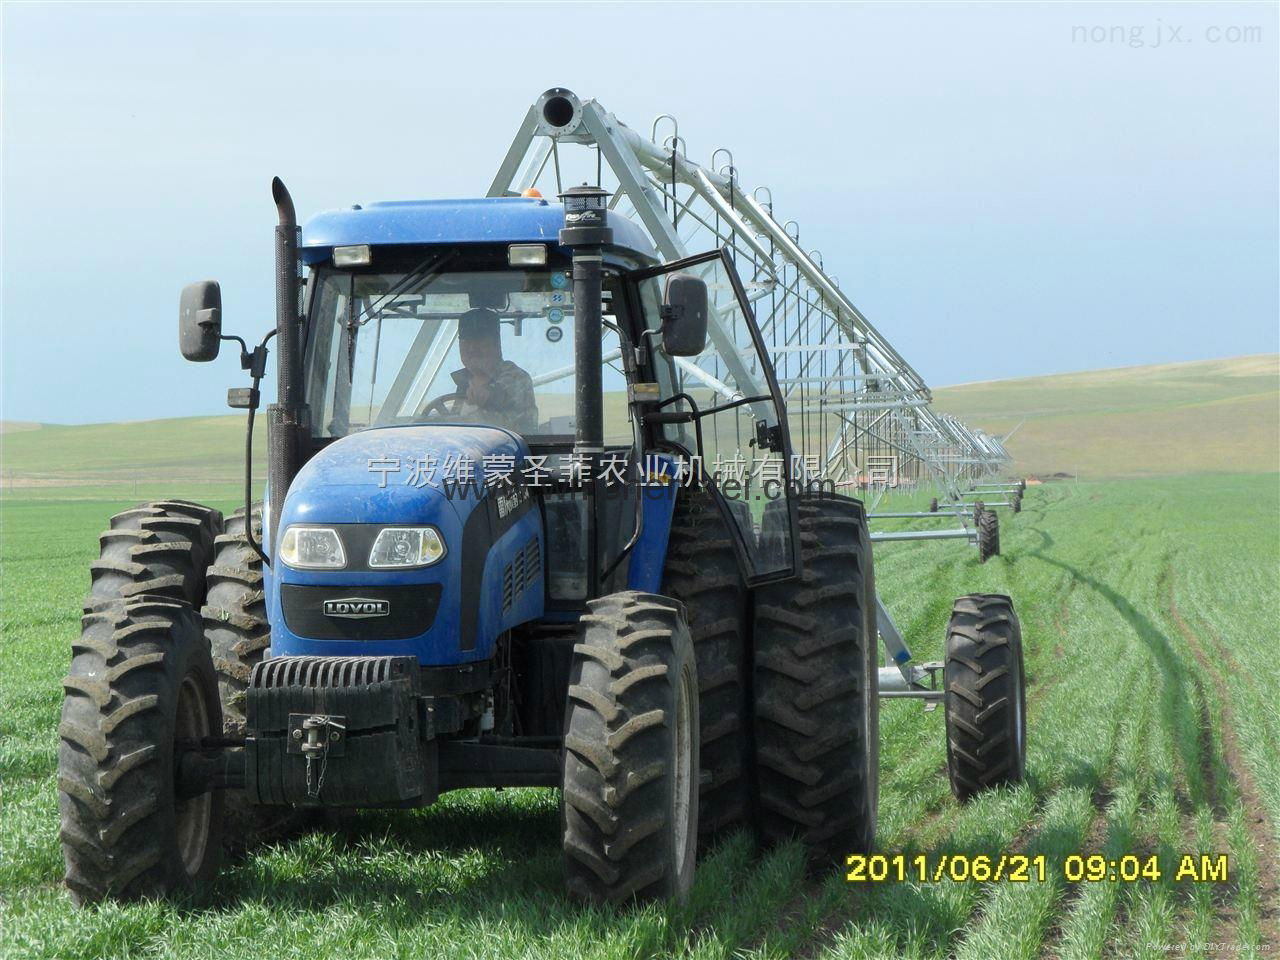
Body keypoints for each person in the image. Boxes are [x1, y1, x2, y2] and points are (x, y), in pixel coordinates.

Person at [447, 308, 538, 434]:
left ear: (497, 345)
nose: (472, 348)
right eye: (466, 342)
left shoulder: (515, 377)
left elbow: (493, 397)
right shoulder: (464, 381)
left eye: (480, 341)